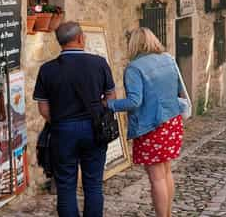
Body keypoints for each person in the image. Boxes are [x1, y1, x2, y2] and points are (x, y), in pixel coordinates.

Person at [33, 21, 116, 217]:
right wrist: (98, 109)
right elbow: (111, 97)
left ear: (60, 42)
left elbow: (43, 108)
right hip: (94, 129)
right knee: (93, 185)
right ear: (80, 38)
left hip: (63, 131)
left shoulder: (47, 69)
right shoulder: (99, 63)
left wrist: (61, 120)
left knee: (66, 187)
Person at [107, 28, 184, 217]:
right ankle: (167, 214)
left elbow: (135, 101)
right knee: (166, 172)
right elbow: (179, 90)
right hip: (172, 121)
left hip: (151, 126)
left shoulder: (135, 68)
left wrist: (109, 104)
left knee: (156, 178)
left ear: (133, 44)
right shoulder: (168, 59)